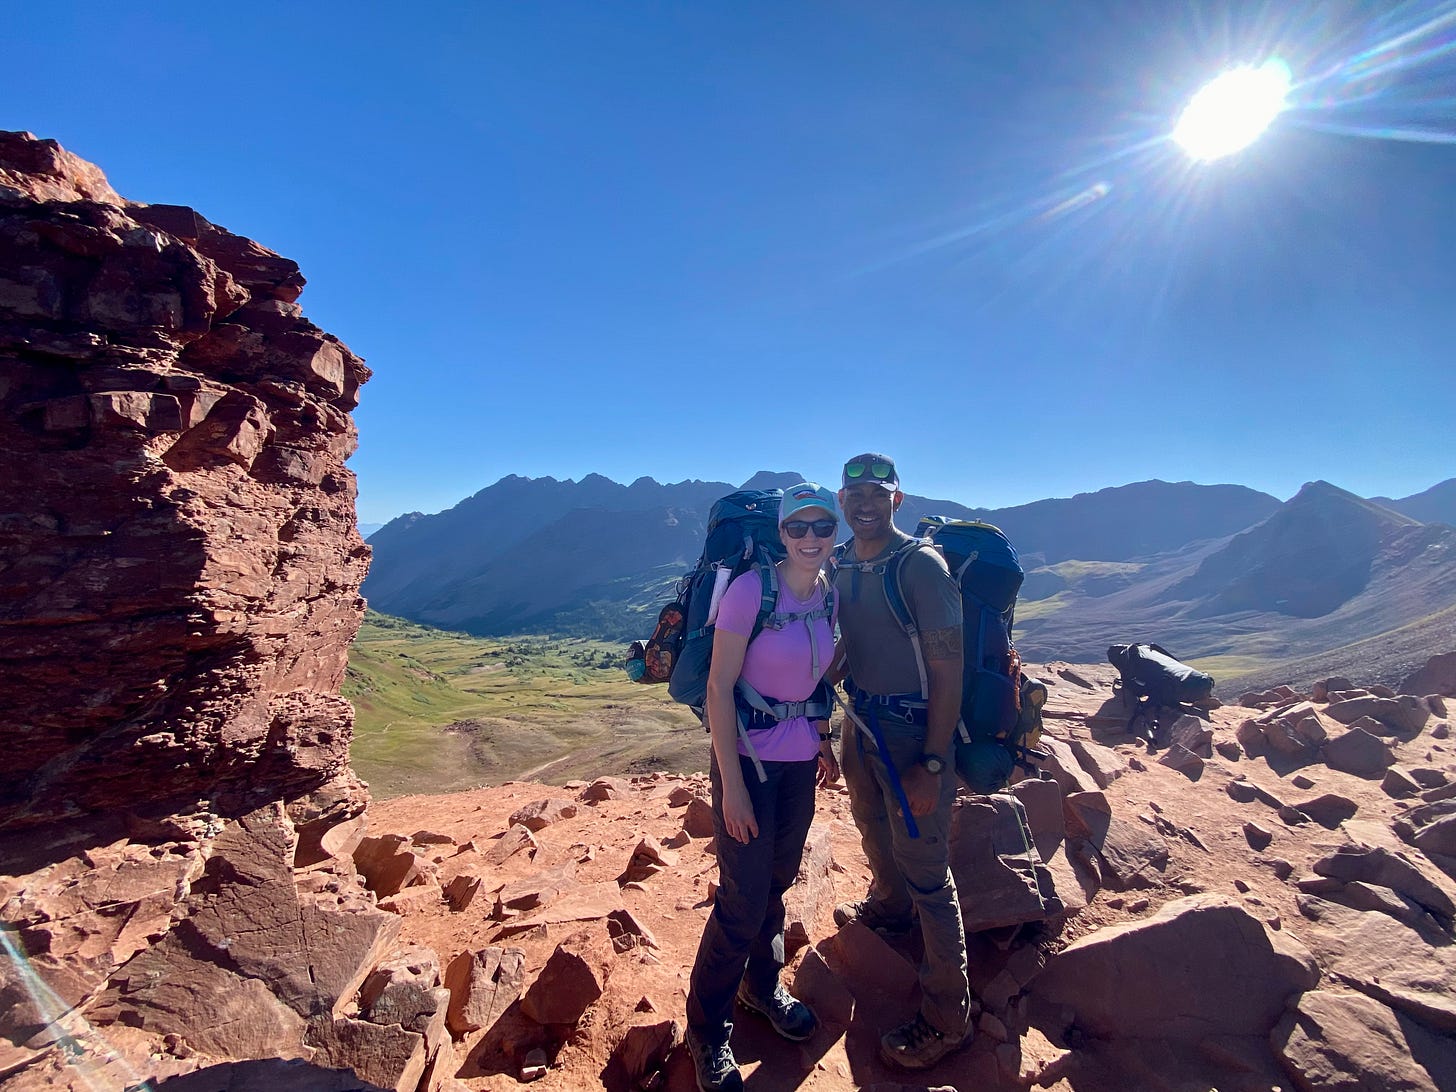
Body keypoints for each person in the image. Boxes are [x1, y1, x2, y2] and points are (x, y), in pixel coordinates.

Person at [684, 482, 842, 1092]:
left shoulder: (827, 595)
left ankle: (762, 985)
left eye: (821, 527)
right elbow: (718, 687)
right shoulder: (752, 591)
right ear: (780, 533)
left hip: (800, 761)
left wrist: (823, 741)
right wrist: (731, 788)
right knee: (742, 898)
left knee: (777, 879)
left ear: (834, 535)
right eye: (797, 528)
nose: (809, 538)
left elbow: (815, 676)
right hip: (746, 762)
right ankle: (707, 1027)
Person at [829, 452, 974, 1070]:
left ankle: (948, 1016)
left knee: (926, 866)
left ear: (898, 499)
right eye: (854, 493)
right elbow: (845, 644)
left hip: (913, 733)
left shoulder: (919, 566)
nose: (864, 503)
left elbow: (949, 669)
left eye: (876, 493)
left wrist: (934, 764)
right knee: (870, 824)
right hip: (860, 722)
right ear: (842, 500)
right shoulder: (840, 564)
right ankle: (889, 910)